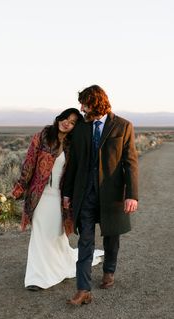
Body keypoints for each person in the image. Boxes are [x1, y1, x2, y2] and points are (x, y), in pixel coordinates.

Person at [12, 108, 104, 291]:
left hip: (59, 197)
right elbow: (29, 163)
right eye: (65, 119)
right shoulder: (43, 136)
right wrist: (19, 187)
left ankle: (58, 264)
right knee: (39, 233)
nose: (67, 123)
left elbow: (75, 172)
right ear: (59, 118)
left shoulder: (72, 145)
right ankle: (36, 277)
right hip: (40, 194)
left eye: (72, 122)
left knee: (55, 234)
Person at [63, 85, 138, 305]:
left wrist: (131, 195)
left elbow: (130, 162)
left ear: (95, 102)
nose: (81, 108)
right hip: (84, 194)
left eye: (85, 103)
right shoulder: (80, 128)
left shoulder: (123, 126)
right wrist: (67, 193)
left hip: (112, 194)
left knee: (111, 236)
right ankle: (83, 289)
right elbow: (73, 163)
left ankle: (109, 271)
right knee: (85, 240)